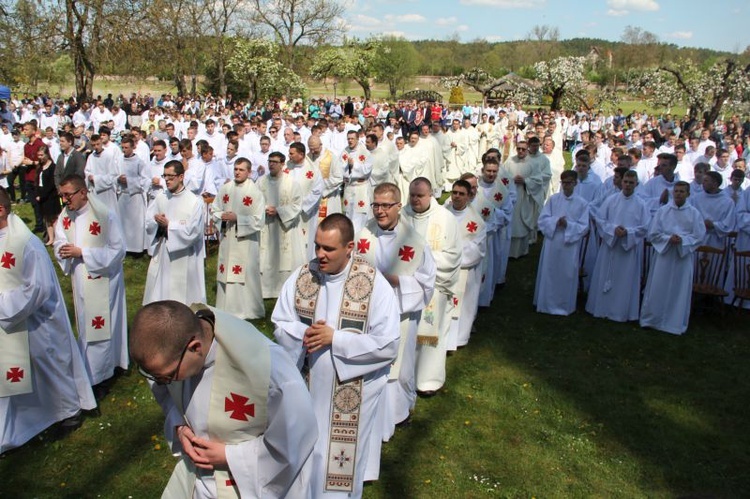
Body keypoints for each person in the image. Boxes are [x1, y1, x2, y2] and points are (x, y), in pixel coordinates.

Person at [130, 301, 317, 498]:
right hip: (199, 484)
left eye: (168, 377)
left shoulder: (268, 368)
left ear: (195, 347)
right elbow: (168, 395)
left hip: (247, 486)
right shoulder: (173, 351)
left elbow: (295, 442)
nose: (164, 383)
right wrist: (179, 425)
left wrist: (230, 457)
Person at [273, 214, 400, 498]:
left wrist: (336, 339)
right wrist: (303, 334)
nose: (320, 255)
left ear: (350, 247)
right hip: (306, 387)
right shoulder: (304, 275)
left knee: (337, 465)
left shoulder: (372, 284)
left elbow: (389, 344)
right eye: (317, 246)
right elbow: (281, 322)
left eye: (328, 249)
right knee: (305, 454)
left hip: (351, 395)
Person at [0, 187, 96, 454]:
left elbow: (37, 289)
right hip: (10, 321)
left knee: (48, 365)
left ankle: (68, 410)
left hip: (37, 319)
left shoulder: (26, 244)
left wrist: (3, 305)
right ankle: (16, 421)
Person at [354, 182, 435, 476]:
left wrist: (398, 281)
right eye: (376, 205)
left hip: (400, 314)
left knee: (398, 368)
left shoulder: (413, 240)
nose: (380, 211)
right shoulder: (364, 233)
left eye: (386, 205)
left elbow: (427, 282)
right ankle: (371, 422)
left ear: (398, 206)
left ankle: (398, 416)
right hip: (367, 316)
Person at [53, 175, 128, 393]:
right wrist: (63, 250)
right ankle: (93, 366)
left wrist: (82, 252)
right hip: (79, 277)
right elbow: (59, 240)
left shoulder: (105, 215)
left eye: (68, 195)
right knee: (87, 325)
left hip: (103, 279)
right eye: (62, 196)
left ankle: (102, 373)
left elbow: (118, 250)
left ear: (83, 192)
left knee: (101, 325)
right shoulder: (65, 215)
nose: (65, 201)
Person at [402, 177, 461, 395]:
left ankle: (428, 381)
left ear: (430, 195)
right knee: (406, 334)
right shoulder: (402, 217)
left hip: (434, 288)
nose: (415, 199)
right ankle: (405, 378)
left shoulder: (446, 219)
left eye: (420, 195)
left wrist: (422, 263)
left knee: (431, 335)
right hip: (407, 287)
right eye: (413, 195)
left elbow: (453, 256)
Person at [640, 181, 706, 335]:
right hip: (664, 255)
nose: (678, 194)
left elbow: (699, 236)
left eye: (682, 191)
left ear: (688, 194)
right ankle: (652, 319)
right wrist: (668, 239)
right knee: (658, 286)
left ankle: (673, 323)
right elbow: (653, 233)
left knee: (679, 289)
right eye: (676, 191)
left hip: (682, 256)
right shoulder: (663, 211)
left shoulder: (694, 213)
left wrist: (682, 240)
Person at [585, 171, 650, 322]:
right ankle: (602, 308)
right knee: (605, 274)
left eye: (631, 183)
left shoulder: (641, 204)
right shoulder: (611, 200)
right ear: (622, 183)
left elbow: (645, 227)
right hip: (611, 245)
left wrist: (628, 232)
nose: (627, 185)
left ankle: (620, 311)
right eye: (626, 182)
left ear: (636, 185)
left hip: (628, 248)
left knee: (625, 279)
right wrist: (612, 230)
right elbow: (600, 219)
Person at [143, 160, 206, 306]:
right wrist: (156, 222)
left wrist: (169, 225)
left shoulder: (194, 201)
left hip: (185, 256)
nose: (166, 180)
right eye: (164, 176)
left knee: (183, 296)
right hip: (164, 252)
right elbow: (148, 222)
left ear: (181, 176)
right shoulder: (161, 197)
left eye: (171, 176)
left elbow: (194, 231)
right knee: (162, 291)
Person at [211, 158, 265, 320]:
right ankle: (225, 307)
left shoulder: (255, 193)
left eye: (241, 170)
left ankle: (247, 310)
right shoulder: (225, 189)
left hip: (246, 242)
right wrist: (222, 216)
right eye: (235, 169)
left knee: (246, 274)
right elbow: (215, 210)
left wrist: (238, 218)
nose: (237, 172)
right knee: (226, 270)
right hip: (228, 239)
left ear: (249, 172)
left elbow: (259, 220)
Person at [533, 170, 590, 316]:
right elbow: (542, 220)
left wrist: (568, 225)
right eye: (563, 182)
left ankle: (564, 305)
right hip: (552, 241)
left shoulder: (582, 204)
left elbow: (584, 226)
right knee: (550, 271)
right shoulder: (553, 199)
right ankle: (546, 303)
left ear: (575, 183)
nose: (566, 186)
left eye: (569, 182)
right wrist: (554, 222)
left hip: (569, 244)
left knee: (567, 273)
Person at [444, 179, 486, 348]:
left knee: (462, 306)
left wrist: (450, 254)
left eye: (462, 194)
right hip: (442, 270)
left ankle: (458, 339)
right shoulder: (442, 214)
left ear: (469, 196)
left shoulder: (477, 222)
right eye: (454, 192)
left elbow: (477, 250)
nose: (457, 197)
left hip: (464, 272)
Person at [502, 140, 546, 258]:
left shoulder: (533, 163)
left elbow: (538, 181)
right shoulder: (509, 162)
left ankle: (521, 251)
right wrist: (511, 180)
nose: (520, 151)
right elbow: (502, 177)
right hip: (510, 197)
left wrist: (525, 181)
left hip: (525, 196)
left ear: (527, 150)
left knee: (521, 223)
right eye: (519, 148)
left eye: (523, 149)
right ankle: (508, 251)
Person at [116, 136, 149, 253]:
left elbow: (145, 180)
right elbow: (114, 174)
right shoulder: (118, 160)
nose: (124, 150)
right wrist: (118, 179)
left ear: (132, 147)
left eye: (126, 147)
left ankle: (136, 249)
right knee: (122, 223)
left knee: (135, 224)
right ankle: (124, 247)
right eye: (122, 147)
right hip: (122, 195)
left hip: (135, 196)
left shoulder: (139, 162)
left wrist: (129, 181)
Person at [34, 145, 61, 245]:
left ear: (46, 154)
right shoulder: (40, 167)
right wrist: (37, 193)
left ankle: (57, 238)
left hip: (50, 196)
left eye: (41, 155)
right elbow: (37, 181)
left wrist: (43, 195)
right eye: (38, 155)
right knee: (47, 219)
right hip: (41, 195)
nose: (40, 157)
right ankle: (51, 238)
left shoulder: (52, 167)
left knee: (53, 218)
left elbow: (51, 184)